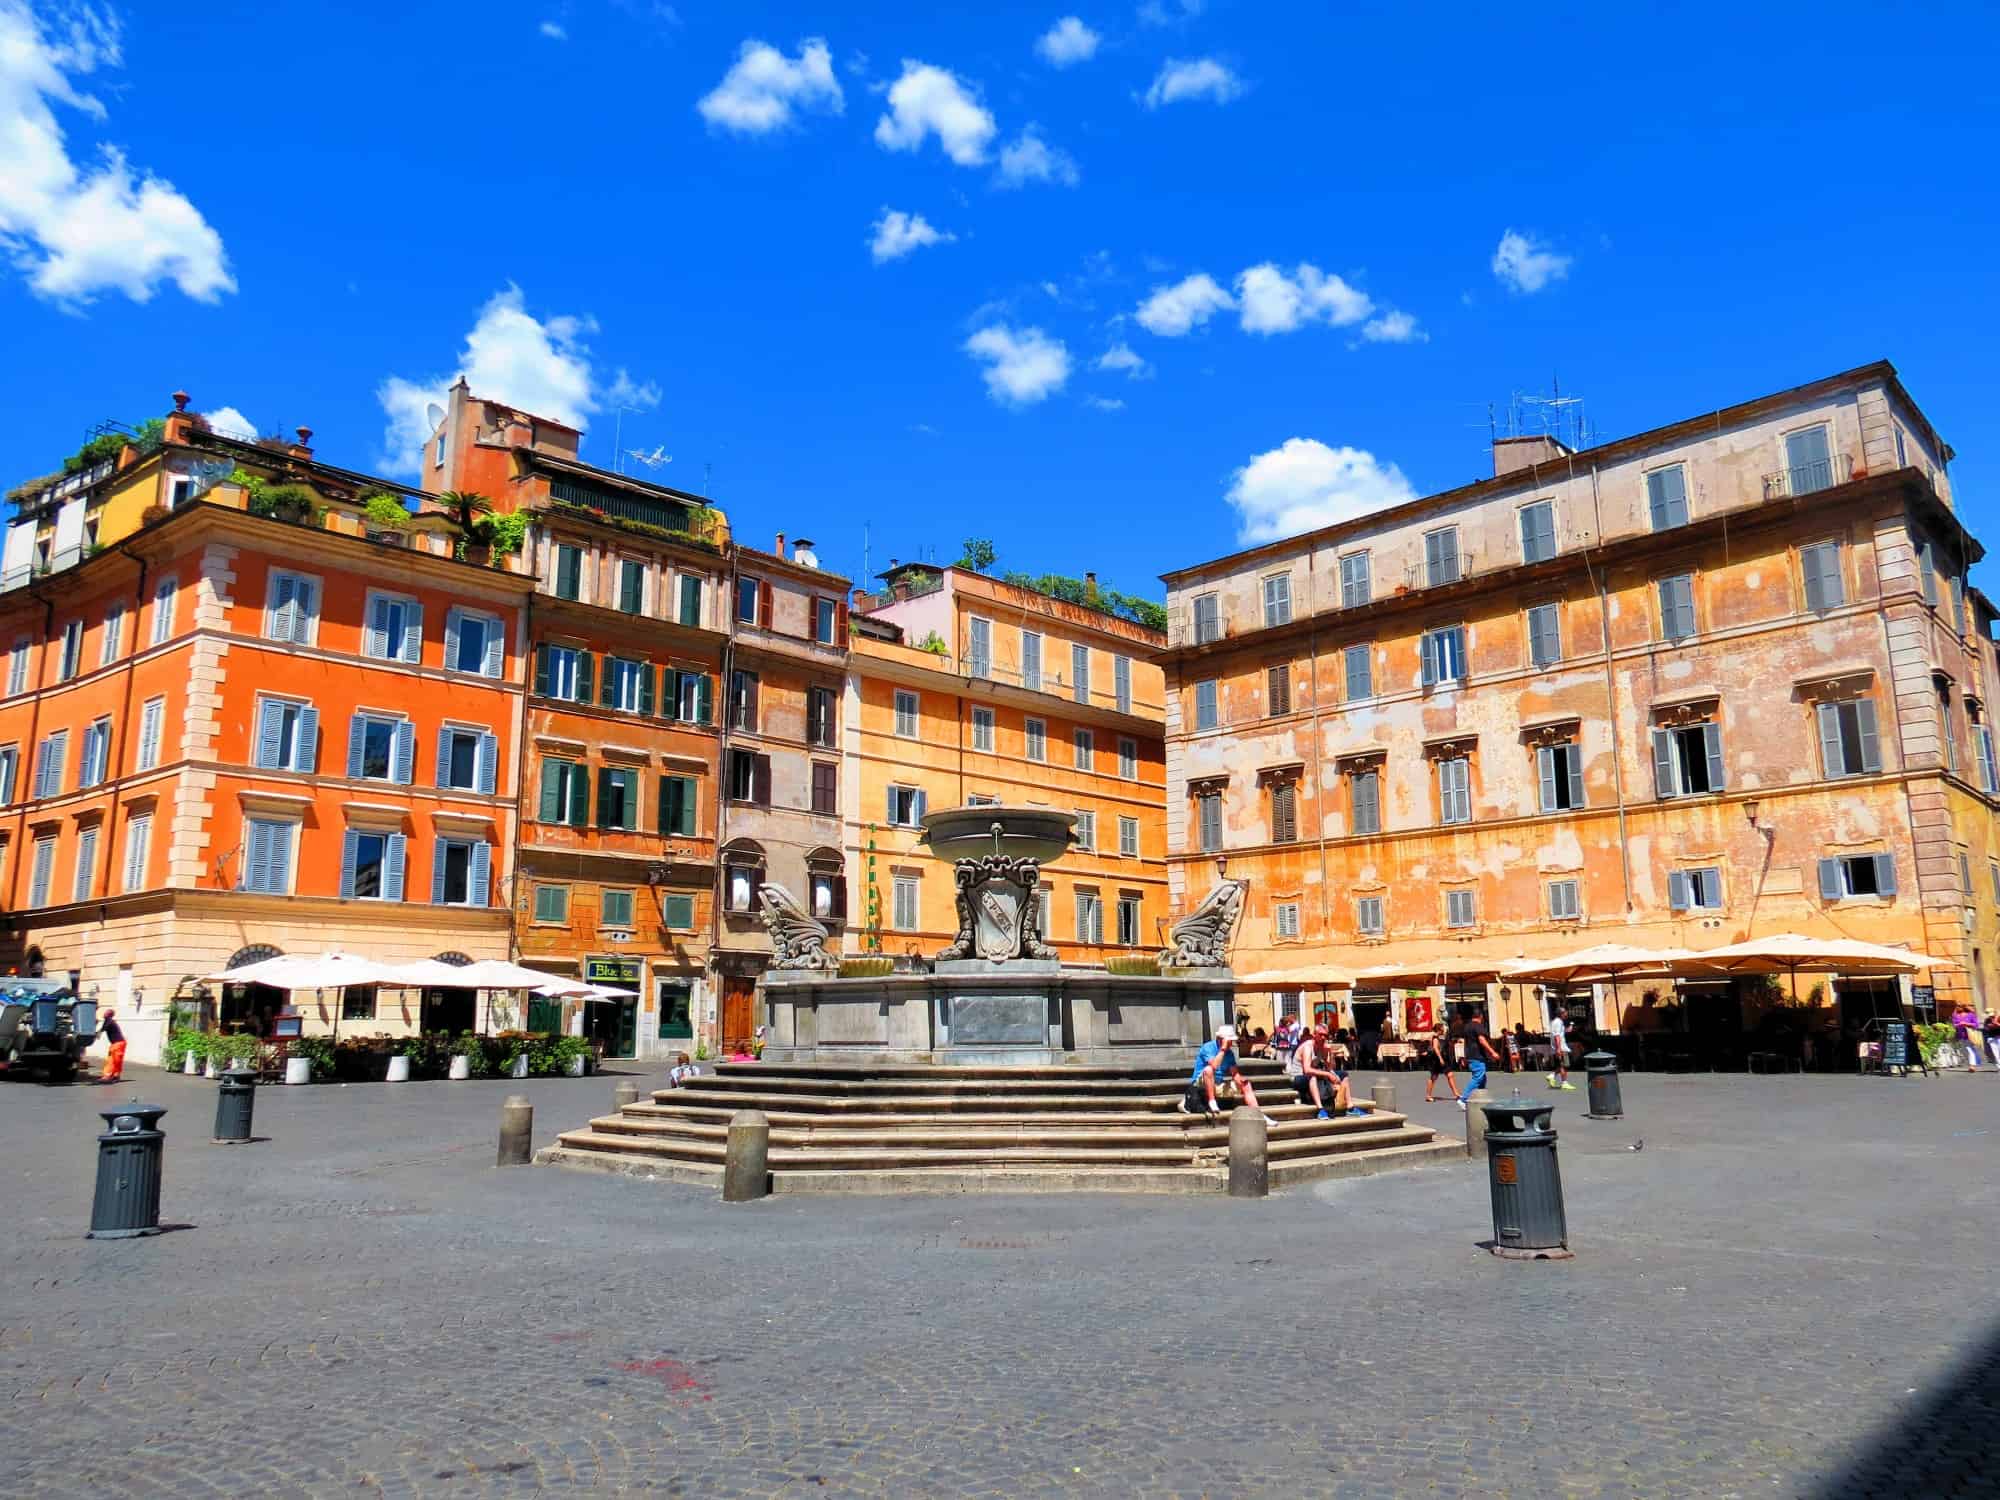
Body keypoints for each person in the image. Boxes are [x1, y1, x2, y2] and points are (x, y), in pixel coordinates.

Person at [1180, 1025, 1260, 1116]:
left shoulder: (1229, 1053)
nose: (1231, 1043)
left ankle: (1258, 1113)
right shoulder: (1208, 1047)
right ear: (1220, 1039)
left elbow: (1234, 1073)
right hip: (1200, 1083)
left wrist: (1241, 1081)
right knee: (1208, 1069)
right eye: (1229, 1041)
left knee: (1246, 1085)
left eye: (1231, 1041)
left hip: (1217, 1084)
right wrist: (1222, 1049)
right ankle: (1212, 1101)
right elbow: (1214, 1066)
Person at [1291, 1025, 1347, 1118]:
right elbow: (1307, 1070)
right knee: (1312, 1077)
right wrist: (1328, 1074)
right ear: (1314, 1035)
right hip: (1299, 1077)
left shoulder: (1323, 1047)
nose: (1323, 1037)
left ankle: (1350, 1107)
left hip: (1316, 1075)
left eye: (1325, 1035)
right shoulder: (1308, 1046)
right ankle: (1320, 1109)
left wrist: (1330, 1053)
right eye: (1320, 1035)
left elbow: (1330, 1067)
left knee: (1344, 1075)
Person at [1458, 1009, 1500, 1110]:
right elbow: (1482, 1040)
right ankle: (1463, 1099)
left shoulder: (1467, 1026)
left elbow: (1465, 1042)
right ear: (1480, 1016)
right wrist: (1492, 1052)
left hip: (1471, 1055)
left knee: (1482, 1078)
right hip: (1477, 1055)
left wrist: (1464, 1056)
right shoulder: (1478, 1026)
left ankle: (1481, 1098)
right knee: (1478, 1077)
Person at [1424, 1025, 1458, 1104]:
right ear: (1439, 1029)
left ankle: (1456, 1094)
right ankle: (1428, 1096)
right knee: (1433, 1077)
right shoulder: (1435, 1037)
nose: (1444, 1029)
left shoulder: (1440, 1037)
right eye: (1443, 1028)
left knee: (1450, 1075)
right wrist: (1440, 1058)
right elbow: (1436, 1048)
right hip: (1436, 1060)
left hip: (1442, 1059)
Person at [1546, 1008, 1576, 1091]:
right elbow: (1557, 1036)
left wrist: (1567, 1029)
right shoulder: (1558, 1022)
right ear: (1561, 1013)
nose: (1567, 1013)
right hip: (1561, 1047)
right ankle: (1564, 1083)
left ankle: (1553, 1076)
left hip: (1560, 1046)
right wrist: (1558, 1048)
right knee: (1564, 1066)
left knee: (1562, 1065)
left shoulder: (1558, 1022)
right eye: (1565, 1012)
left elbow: (1560, 1033)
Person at [96, 1008, 126, 1085]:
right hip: (118, 1043)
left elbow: (103, 1028)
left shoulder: (109, 1020)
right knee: (117, 1060)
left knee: (112, 1060)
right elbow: (103, 1029)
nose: (104, 1013)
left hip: (118, 1044)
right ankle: (116, 1075)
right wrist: (98, 1033)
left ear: (108, 1014)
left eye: (106, 1012)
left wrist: (97, 1033)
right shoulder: (109, 1021)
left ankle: (107, 1076)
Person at [1951, 1005, 1982, 1070]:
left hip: (1969, 1034)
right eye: (1957, 1006)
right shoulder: (1955, 1015)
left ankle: (1972, 1065)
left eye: (1960, 1006)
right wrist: (1959, 1024)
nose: (1958, 1007)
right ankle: (1975, 1062)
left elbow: (1976, 1024)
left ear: (1964, 1007)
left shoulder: (1970, 1015)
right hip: (1960, 1035)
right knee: (1965, 1051)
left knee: (1969, 1049)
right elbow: (1954, 1025)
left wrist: (1967, 1023)